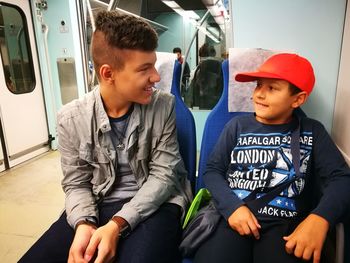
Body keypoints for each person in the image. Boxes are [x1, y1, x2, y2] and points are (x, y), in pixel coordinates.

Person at [19, 10, 191, 263]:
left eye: (154, 65)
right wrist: (83, 224)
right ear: (108, 73)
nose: (156, 77)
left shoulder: (163, 106)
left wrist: (117, 225)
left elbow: (164, 177)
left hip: (157, 203)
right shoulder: (70, 118)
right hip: (98, 203)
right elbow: (76, 184)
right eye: (145, 69)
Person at [193, 53, 350, 263]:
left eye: (272, 88)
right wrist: (232, 207)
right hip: (232, 218)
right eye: (258, 85)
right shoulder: (237, 127)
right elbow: (212, 170)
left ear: (298, 99)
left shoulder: (313, 131)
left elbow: (341, 178)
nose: (259, 94)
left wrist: (320, 218)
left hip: (284, 226)